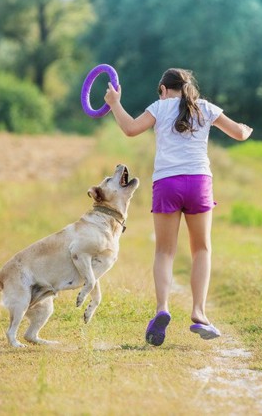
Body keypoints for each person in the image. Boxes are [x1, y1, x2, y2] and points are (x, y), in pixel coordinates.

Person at [104, 68, 253, 346]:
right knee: (201, 249)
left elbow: (129, 129)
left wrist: (114, 103)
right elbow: (239, 134)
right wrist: (246, 129)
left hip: (167, 184)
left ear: (163, 89)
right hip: (198, 183)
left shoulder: (159, 108)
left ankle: (162, 309)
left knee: (164, 251)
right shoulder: (205, 108)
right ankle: (199, 312)